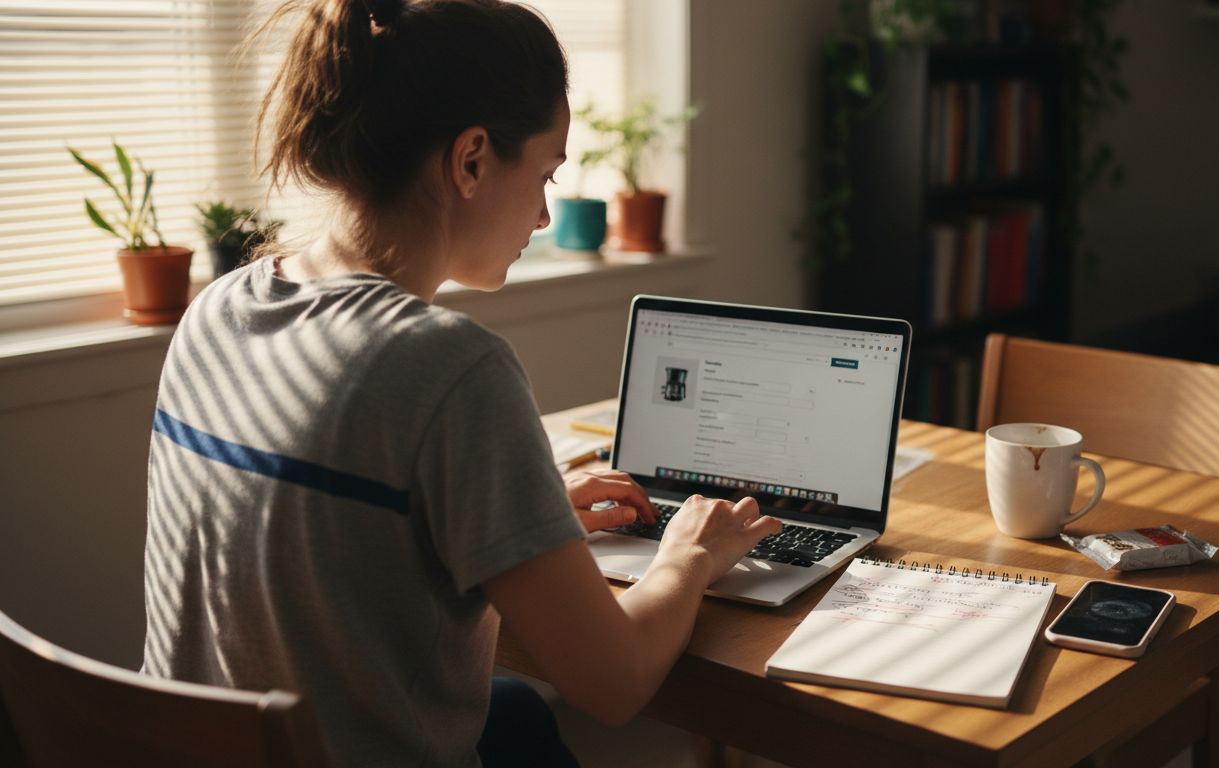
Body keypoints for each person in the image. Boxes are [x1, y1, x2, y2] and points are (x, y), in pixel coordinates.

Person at [139, 0, 781, 766]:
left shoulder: (220, 308)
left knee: (514, 718)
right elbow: (614, 684)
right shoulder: (450, 367)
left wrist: (518, 525)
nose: (545, 214)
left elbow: (332, 549)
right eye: (545, 172)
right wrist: (688, 554)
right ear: (472, 159)